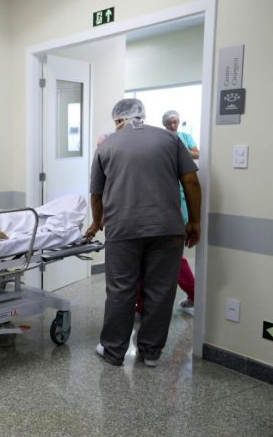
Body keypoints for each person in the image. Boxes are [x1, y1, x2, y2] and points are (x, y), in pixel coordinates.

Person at [85, 98, 201, 367]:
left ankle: (113, 351)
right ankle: (151, 353)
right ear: (143, 115)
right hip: (167, 228)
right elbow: (191, 180)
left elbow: (96, 194)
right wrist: (194, 221)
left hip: (123, 229)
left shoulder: (107, 146)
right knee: (161, 290)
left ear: (118, 119)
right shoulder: (170, 140)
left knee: (120, 290)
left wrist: (96, 222)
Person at [162, 110, 197, 308]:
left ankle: (194, 293)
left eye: (176, 122)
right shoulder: (159, 141)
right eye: (170, 122)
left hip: (173, 204)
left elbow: (191, 181)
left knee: (174, 257)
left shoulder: (184, 138)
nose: (173, 125)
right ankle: (140, 305)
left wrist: (194, 222)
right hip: (162, 206)